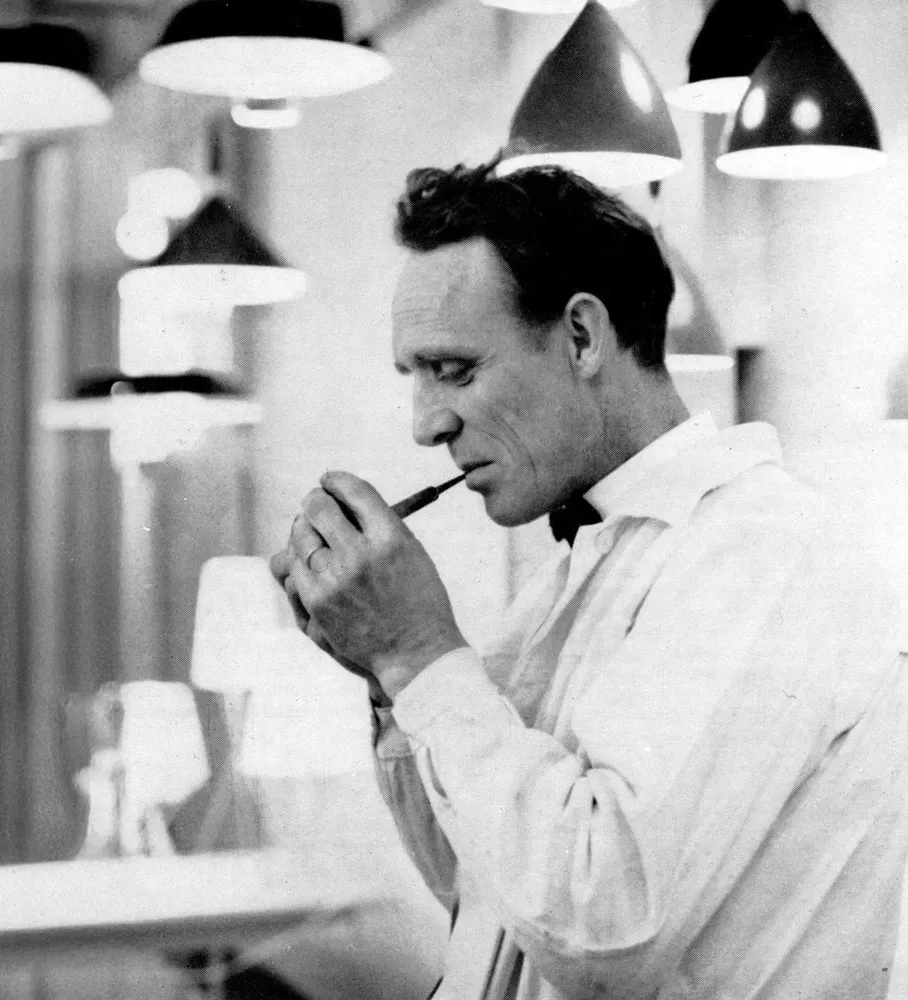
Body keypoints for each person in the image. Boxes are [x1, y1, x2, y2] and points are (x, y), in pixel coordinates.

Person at [269, 158, 908, 1000]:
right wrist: (390, 679)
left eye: (454, 369)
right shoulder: (579, 570)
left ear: (581, 336)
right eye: (413, 377)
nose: (427, 424)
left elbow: (599, 922)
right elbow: (486, 891)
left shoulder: (764, 550)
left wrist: (418, 654)